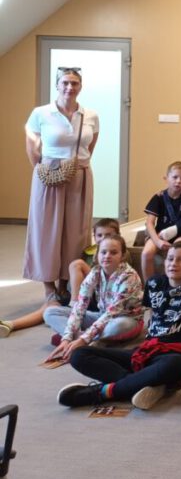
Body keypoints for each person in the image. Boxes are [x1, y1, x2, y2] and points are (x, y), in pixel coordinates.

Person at [58, 239, 181, 410]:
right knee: (79, 354)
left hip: (174, 353)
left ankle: (103, 392)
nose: (173, 263)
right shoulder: (154, 283)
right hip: (147, 350)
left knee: (175, 364)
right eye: (170, 259)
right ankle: (139, 383)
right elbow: (153, 318)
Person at [24, 67, 99, 305]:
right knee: (46, 230)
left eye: (74, 83)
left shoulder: (90, 115)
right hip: (48, 176)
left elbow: (89, 147)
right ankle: (49, 288)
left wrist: (76, 167)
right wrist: (45, 171)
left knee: (76, 231)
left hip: (80, 174)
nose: (69, 87)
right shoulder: (41, 113)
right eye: (65, 82)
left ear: (80, 86)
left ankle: (66, 283)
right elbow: (32, 148)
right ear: (57, 85)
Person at [1, 218, 119, 338]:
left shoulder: (119, 253)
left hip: (105, 298)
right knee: (50, 306)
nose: (103, 238)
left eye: (108, 235)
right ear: (94, 236)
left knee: (77, 264)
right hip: (87, 296)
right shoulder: (90, 252)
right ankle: (11, 324)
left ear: (117, 236)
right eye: (100, 235)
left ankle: (73, 308)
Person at [44, 234, 144, 358]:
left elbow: (112, 313)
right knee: (50, 313)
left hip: (126, 320)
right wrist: (67, 337)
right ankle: (87, 341)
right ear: (97, 255)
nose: (107, 256)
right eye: (103, 252)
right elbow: (80, 306)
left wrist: (83, 339)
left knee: (118, 326)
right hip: (101, 316)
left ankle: (85, 341)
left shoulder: (129, 277)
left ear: (122, 256)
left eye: (113, 252)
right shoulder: (95, 272)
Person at [141, 161, 181, 279]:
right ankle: (149, 286)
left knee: (177, 252)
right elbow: (149, 223)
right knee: (146, 253)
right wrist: (157, 241)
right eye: (175, 177)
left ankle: (173, 284)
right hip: (160, 234)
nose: (178, 181)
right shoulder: (159, 197)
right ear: (166, 178)